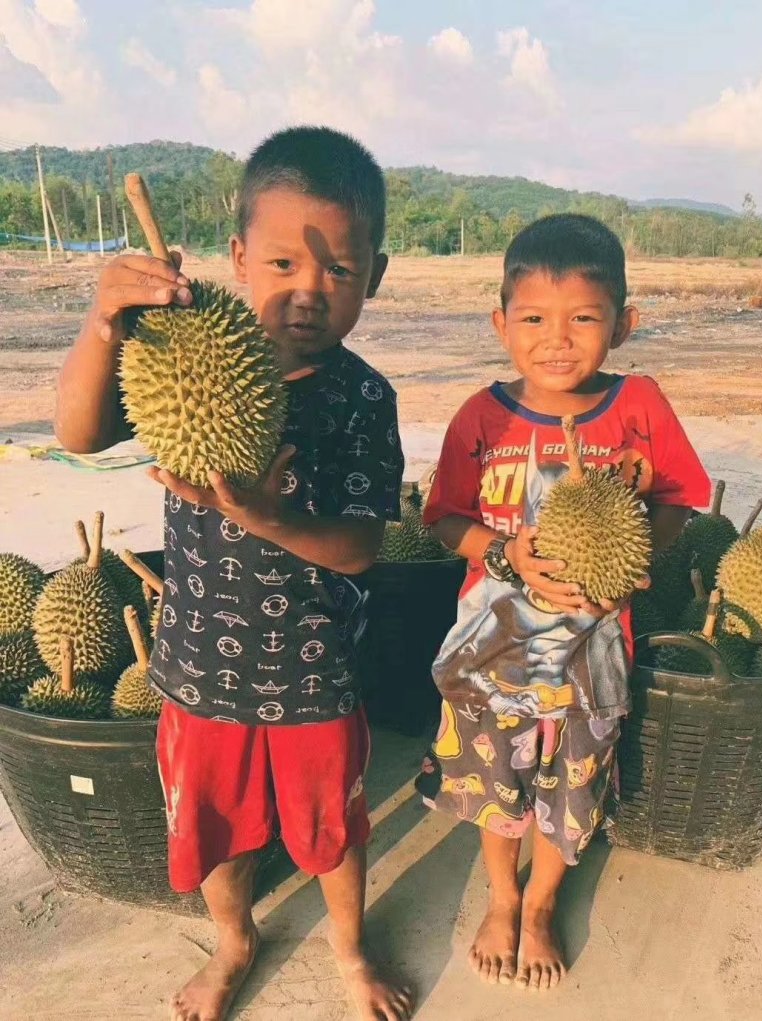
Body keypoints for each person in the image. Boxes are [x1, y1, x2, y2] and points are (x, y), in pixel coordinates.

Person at [55, 126, 413, 1021]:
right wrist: (107, 321)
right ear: (239, 257)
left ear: (374, 275)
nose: (308, 291)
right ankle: (234, 940)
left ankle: (349, 948)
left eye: (339, 270)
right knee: (213, 835)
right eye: (286, 262)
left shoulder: (364, 395)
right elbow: (78, 435)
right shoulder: (176, 349)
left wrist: (265, 514)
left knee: (333, 832)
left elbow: (363, 547)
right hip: (196, 668)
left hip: (313, 670)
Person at [415, 213, 710, 993]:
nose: (558, 338)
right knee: (493, 785)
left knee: (570, 785)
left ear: (623, 322)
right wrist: (504, 553)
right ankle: (503, 895)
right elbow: (442, 518)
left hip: (594, 652)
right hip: (492, 653)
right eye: (535, 319)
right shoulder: (484, 417)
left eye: (584, 318)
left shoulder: (639, 403)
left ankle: (542, 900)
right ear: (500, 322)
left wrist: (648, 544)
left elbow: (681, 496)